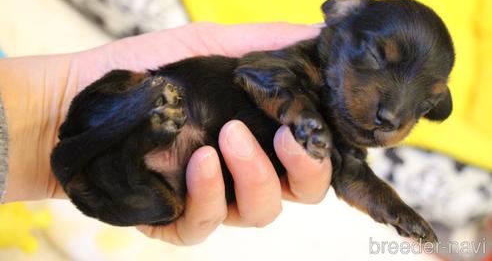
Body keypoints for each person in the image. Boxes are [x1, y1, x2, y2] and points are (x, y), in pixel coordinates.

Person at [0, 22, 332, 245]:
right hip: (112, 123)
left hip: (130, 173)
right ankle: (135, 122)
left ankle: (135, 127)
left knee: (165, 205)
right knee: (165, 203)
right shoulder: (306, 60)